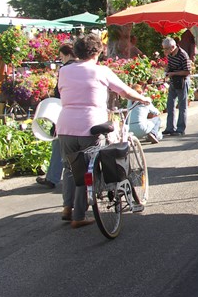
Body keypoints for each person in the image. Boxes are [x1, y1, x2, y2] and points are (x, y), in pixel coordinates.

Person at [56, 34, 151, 228]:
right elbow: (124, 91)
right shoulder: (101, 71)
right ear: (98, 52)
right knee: (87, 170)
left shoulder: (64, 71)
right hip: (90, 126)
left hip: (65, 125)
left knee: (69, 167)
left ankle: (67, 207)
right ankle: (79, 215)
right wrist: (143, 99)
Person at [36, 43, 77, 191]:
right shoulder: (88, 67)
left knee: (58, 143)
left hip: (66, 112)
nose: (61, 60)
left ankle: (52, 178)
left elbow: (60, 92)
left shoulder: (65, 70)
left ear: (67, 55)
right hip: (87, 114)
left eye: (61, 57)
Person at [162, 36, 192, 136]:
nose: (165, 51)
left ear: (173, 47)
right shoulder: (170, 55)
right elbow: (170, 66)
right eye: (164, 48)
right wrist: (166, 71)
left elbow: (187, 71)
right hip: (173, 81)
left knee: (182, 106)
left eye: (166, 49)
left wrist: (173, 74)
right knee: (170, 104)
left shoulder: (183, 55)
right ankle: (170, 127)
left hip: (183, 81)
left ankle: (180, 129)